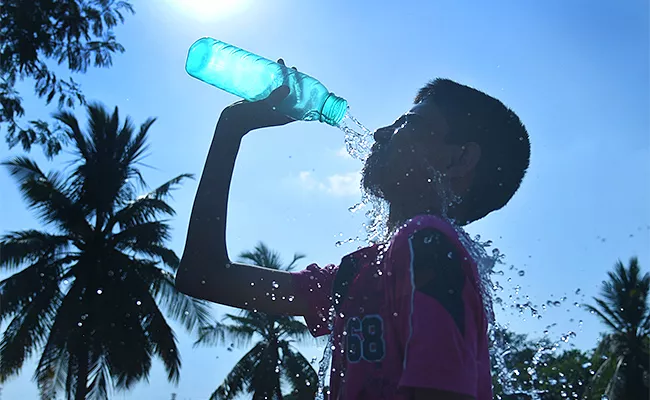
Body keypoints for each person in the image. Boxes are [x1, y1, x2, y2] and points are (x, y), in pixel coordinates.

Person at [175, 65, 531, 400]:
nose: (380, 133)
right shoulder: (357, 274)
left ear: (458, 160)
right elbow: (203, 277)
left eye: (408, 123)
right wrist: (232, 127)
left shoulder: (428, 242)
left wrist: (230, 132)